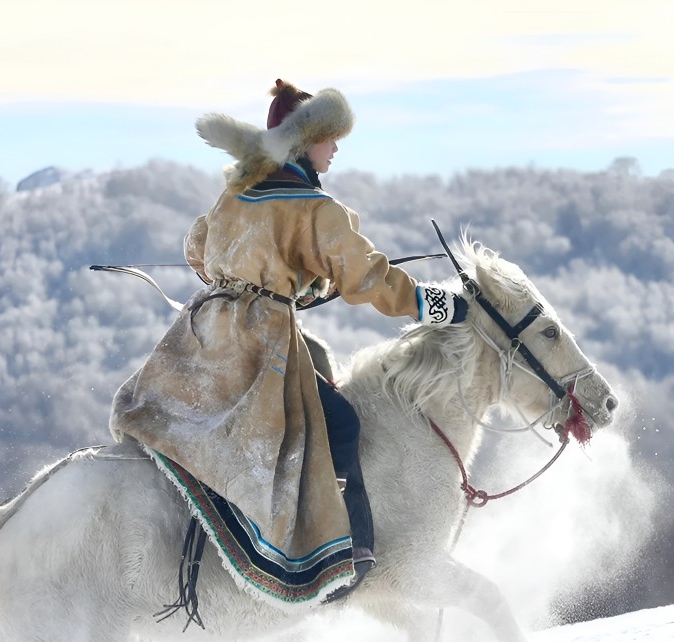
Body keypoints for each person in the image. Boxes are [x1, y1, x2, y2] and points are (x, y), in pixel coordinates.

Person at [110, 79, 468, 604]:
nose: (337, 149)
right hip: (259, 345)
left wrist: (261, 281)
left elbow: (196, 248)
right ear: (304, 143)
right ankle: (345, 555)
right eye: (331, 139)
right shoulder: (317, 208)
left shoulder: (236, 192)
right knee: (340, 424)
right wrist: (439, 306)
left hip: (202, 333)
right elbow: (368, 278)